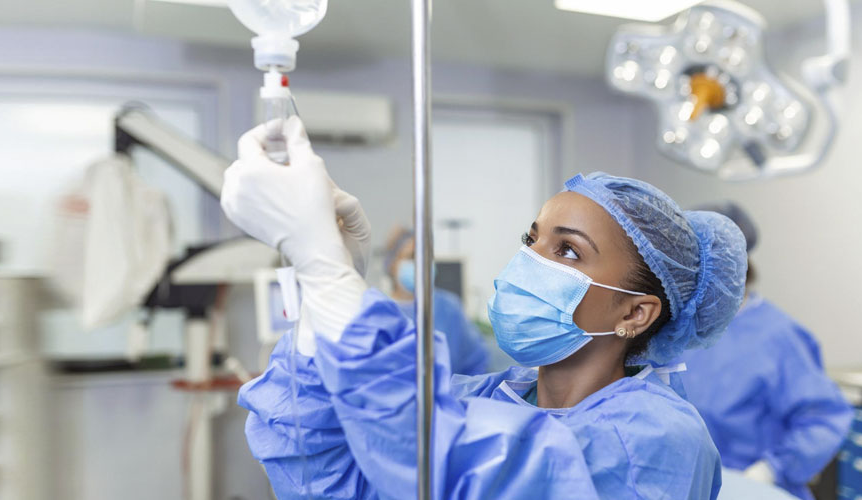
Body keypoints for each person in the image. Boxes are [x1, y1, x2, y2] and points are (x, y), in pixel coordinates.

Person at [221, 117, 748, 499]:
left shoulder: (655, 442)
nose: (529, 259)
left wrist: (327, 270)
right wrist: (328, 292)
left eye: (568, 251)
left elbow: (454, 472)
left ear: (635, 314)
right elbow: (326, 472)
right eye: (532, 238)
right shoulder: (487, 399)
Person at [678, 202, 853, 500]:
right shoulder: (676, 331)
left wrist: (769, 471)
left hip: (756, 489)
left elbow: (824, 418)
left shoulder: (777, 335)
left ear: (739, 267)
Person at [383, 227, 489, 375]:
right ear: (392, 264)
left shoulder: (448, 307)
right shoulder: (381, 313)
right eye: (412, 257)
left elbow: (475, 363)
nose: (422, 263)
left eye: (427, 256)